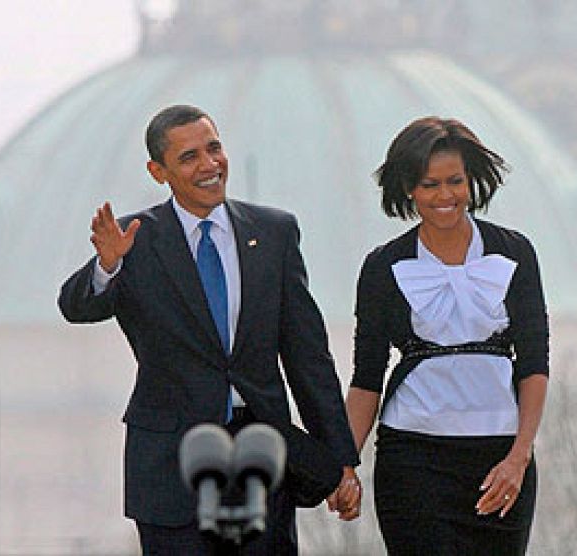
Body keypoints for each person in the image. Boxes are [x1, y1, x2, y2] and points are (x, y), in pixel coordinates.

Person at [58, 104, 361, 555]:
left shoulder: (274, 233)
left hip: (262, 459)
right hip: (171, 468)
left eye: (214, 148)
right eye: (188, 157)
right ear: (158, 171)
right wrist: (108, 265)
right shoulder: (133, 240)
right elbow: (76, 306)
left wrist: (340, 462)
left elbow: (307, 355)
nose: (209, 165)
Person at [345, 117, 549, 555]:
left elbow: (535, 364)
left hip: (499, 460)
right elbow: (366, 380)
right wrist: (344, 464)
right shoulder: (382, 267)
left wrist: (519, 456)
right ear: (408, 189)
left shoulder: (515, 252)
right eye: (429, 184)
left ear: (472, 180)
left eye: (454, 181)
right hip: (412, 460)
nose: (444, 196)